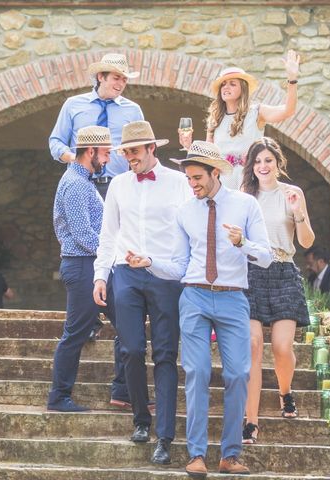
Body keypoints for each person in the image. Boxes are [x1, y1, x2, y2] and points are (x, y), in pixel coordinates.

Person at [125, 140, 272, 477]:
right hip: (194, 297)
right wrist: (150, 262)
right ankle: (196, 454)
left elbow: (265, 256)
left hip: (233, 297)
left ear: (215, 173)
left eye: (197, 178)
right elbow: (179, 265)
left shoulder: (246, 205)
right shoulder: (185, 212)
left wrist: (242, 243)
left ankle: (230, 455)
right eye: (189, 179)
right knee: (197, 373)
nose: (192, 185)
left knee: (237, 374)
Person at [92, 120, 191, 465]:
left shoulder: (179, 184)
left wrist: (181, 270)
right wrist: (100, 276)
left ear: (152, 149)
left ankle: (164, 436)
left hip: (166, 276)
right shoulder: (119, 185)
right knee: (131, 349)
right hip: (127, 275)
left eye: (134, 151)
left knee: (165, 356)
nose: (128, 157)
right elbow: (108, 234)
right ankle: (140, 419)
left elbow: (189, 231)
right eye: (125, 152)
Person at [49, 52, 145, 347]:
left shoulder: (133, 109)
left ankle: (118, 310)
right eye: (116, 78)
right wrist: (77, 161)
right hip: (83, 183)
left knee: (116, 245)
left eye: (125, 79)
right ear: (100, 77)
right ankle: (88, 317)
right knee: (85, 244)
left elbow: (139, 146)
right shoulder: (73, 105)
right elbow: (55, 142)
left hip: (118, 186)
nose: (121, 84)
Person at [239, 137, 315, 445]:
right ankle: (250, 421)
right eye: (257, 161)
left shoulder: (292, 194)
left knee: (282, 347)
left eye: (268, 160)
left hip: (283, 271)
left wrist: (298, 212)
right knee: (254, 345)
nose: (262, 166)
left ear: (277, 163)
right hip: (252, 273)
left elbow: (307, 242)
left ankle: (285, 392)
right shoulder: (245, 194)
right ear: (251, 166)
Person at [47, 125, 127, 412]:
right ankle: (58, 397)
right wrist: (116, 255)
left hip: (94, 267)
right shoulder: (76, 184)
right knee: (76, 334)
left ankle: (123, 391)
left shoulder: (83, 181)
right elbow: (83, 235)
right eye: (105, 153)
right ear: (90, 151)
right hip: (83, 268)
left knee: (127, 327)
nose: (107, 159)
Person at [179, 50, 300, 190]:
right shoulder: (215, 119)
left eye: (232, 84)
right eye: (223, 84)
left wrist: (292, 79)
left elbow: (288, 111)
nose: (226, 87)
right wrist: (189, 146)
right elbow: (208, 158)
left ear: (243, 89)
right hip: (223, 183)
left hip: (251, 179)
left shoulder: (256, 112)